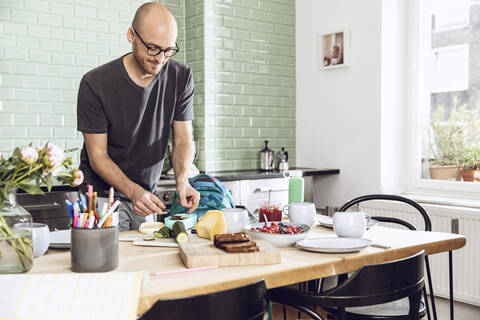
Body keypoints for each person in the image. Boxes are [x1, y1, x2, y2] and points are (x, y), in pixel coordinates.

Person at [76, 2, 200, 231]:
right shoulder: (95, 84)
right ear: (131, 35)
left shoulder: (181, 77)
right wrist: (133, 192)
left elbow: (183, 139)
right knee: (109, 264)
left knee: (144, 260)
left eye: (168, 50)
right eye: (152, 48)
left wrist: (182, 181)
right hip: (103, 197)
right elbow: (98, 156)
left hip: (146, 196)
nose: (160, 58)